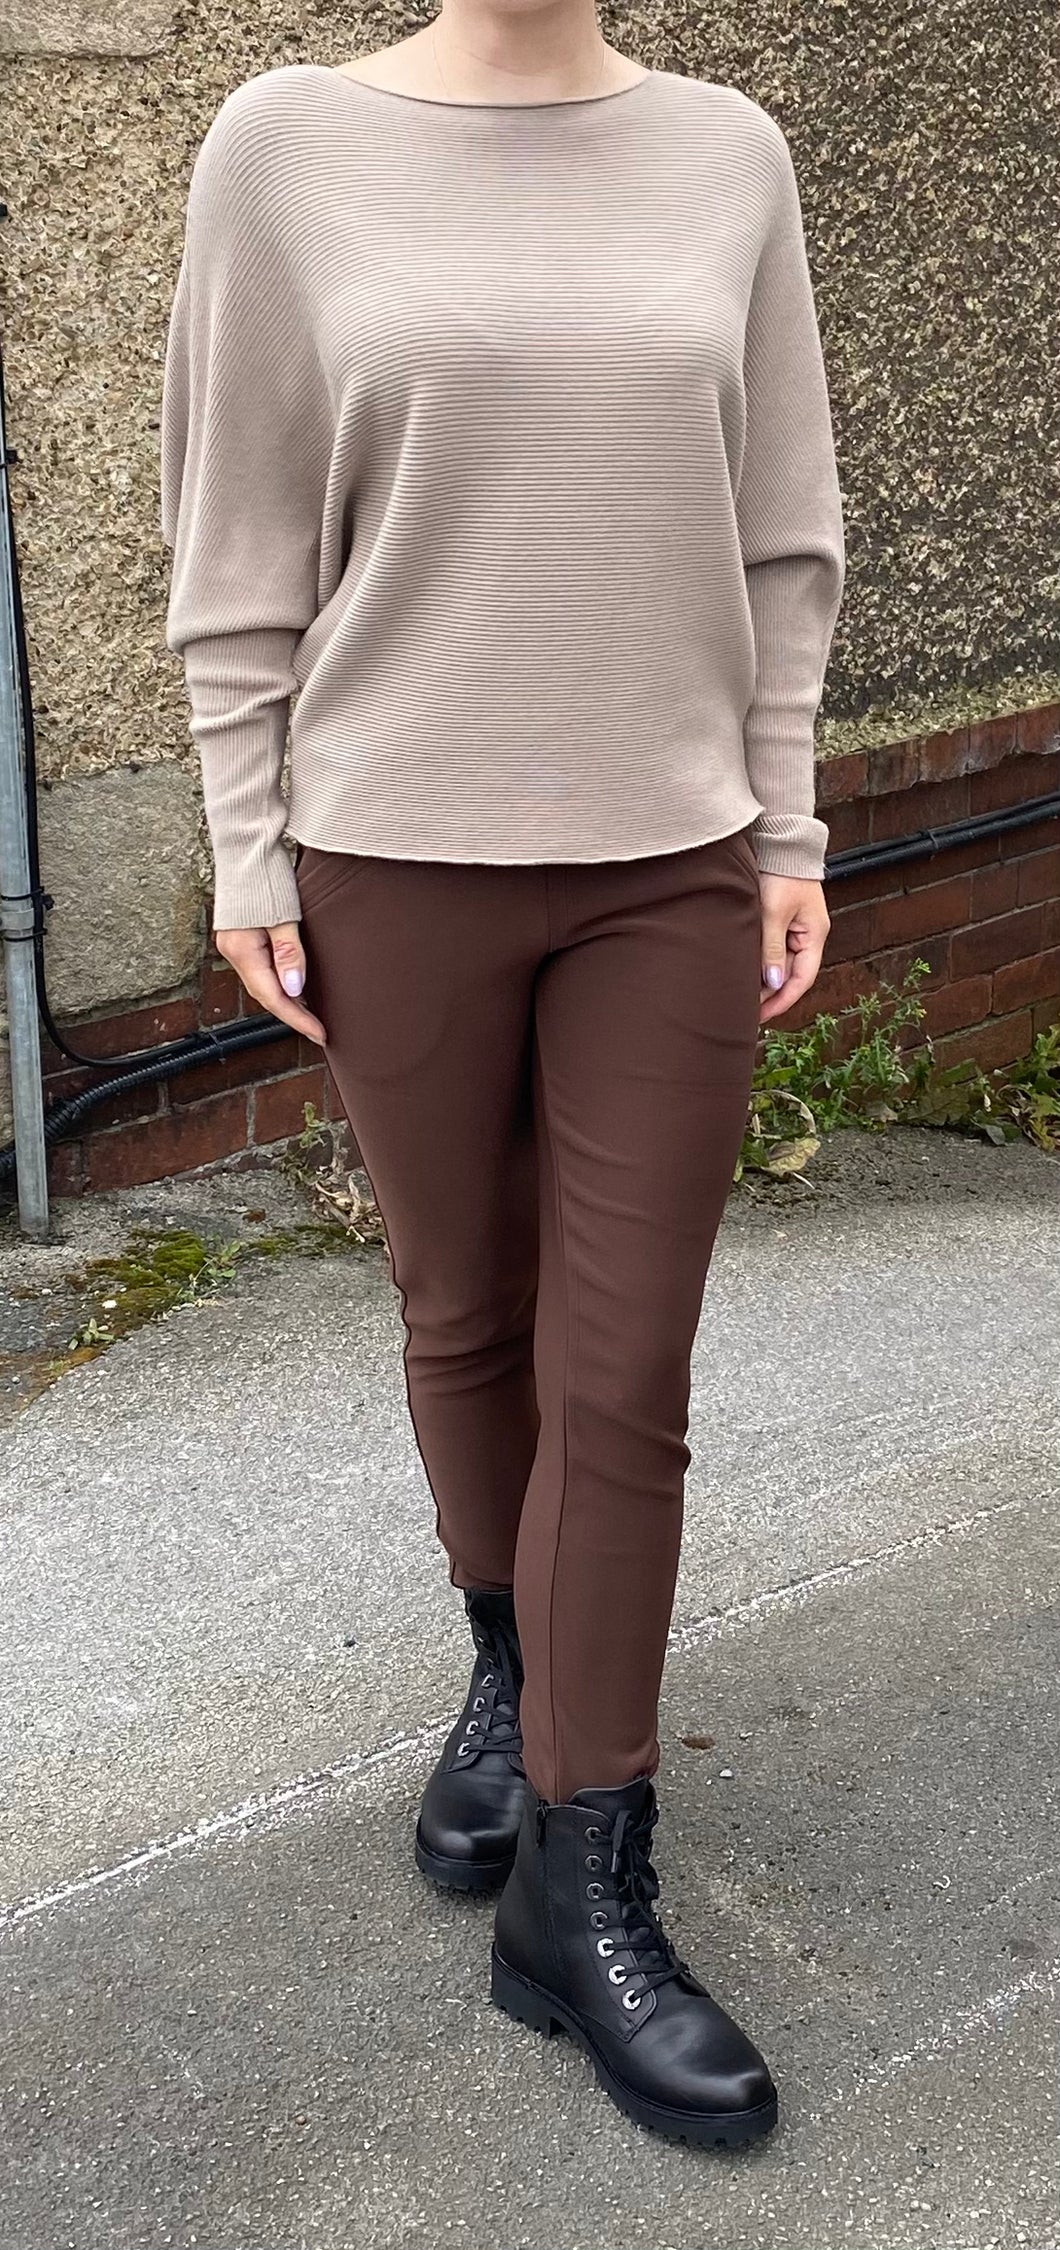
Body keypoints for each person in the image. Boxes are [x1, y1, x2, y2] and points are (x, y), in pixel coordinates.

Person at [160, 0, 845, 2150]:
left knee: (620, 1372)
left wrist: (788, 820)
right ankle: (513, 1671)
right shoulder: (285, 148)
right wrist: (248, 840)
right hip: (391, 851)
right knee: (465, 1310)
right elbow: (235, 536)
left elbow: (781, 528)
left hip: (670, 860)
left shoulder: (727, 153)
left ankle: (584, 1878)